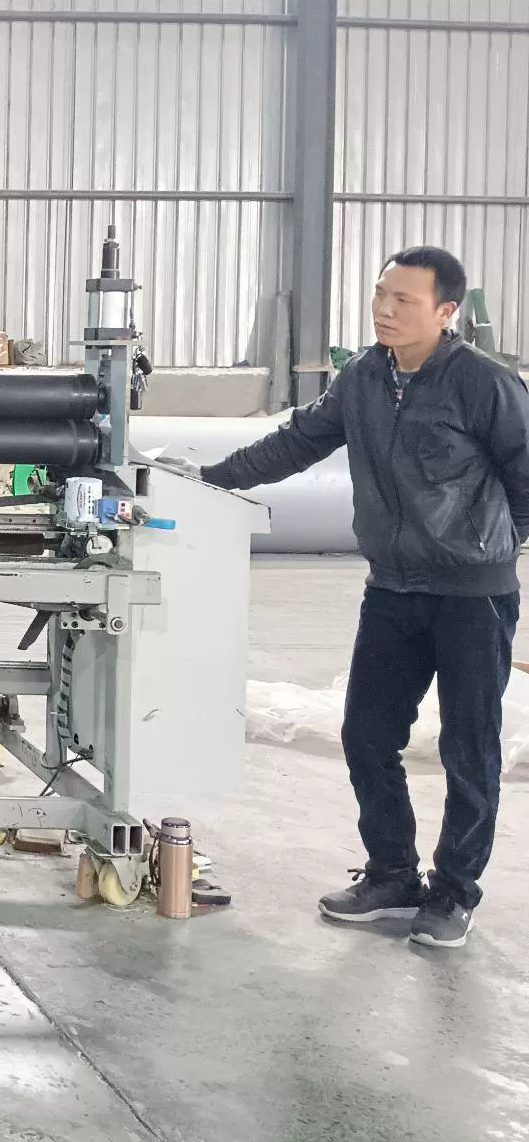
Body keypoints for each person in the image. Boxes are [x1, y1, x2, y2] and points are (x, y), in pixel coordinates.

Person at [193, 246, 529, 949]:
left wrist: (494, 548)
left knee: (470, 747)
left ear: (446, 311)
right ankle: (393, 875)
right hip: (392, 590)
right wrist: (207, 481)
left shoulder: (484, 384)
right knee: (367, 735)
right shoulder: (364, 378)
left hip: (471, 597)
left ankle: (454, 893)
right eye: (381, 294)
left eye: (404, 300)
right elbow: (296, 443)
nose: (385, 310)